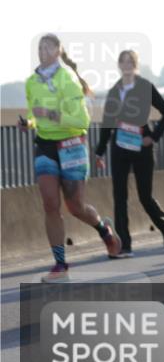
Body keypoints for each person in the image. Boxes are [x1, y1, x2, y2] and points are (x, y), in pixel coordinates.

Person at [20, 34, 122, 282]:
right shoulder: (31, 82)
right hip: (45, 146)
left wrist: (52, 115)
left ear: (58, 51)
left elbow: (81, 121)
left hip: (72, 145)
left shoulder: (68, 79)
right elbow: (38, 116)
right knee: (50, 204)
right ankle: (60, 264)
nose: (42, 51)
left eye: (47, 47)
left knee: (75, 207)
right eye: (39, 47)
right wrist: (30, 123)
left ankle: (103, 229)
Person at [95, 49, 164, 256]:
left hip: (142, 146)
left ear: (136, 64)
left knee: (145, 196)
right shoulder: (114, 91)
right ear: (119, 66)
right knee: (119, 196)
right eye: (123, 62)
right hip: (119, 147)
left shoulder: (145, 87)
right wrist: (99, 152)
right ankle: (125, 244)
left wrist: (154, 137)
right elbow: (107, 123)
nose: (127, 65)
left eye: (130, 61)